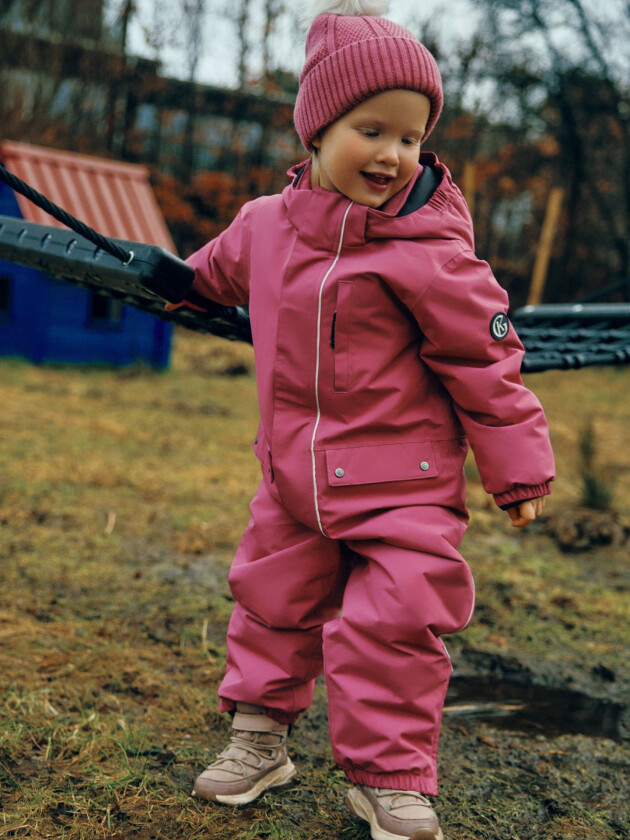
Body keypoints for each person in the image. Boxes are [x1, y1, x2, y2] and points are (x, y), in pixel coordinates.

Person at [179, 2, 555, 838]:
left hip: (405, 487)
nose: (393, 154)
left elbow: (485, 363)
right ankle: (259, 737)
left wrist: (518, 466)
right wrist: (168, 280)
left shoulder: (432, 252)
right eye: (372, 129)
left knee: (394, 623)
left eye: (412, 138)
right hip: (294, 477)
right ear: (316, 132)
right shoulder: (263, 227)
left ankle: (389, 778)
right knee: (270, 601)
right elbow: (209, 273)